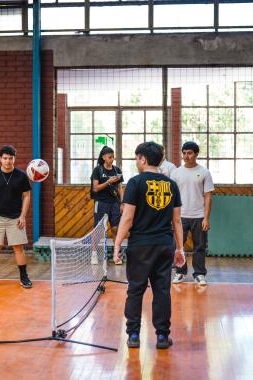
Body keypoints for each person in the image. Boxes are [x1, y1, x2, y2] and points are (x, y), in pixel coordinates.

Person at [113, 141, 185, 350]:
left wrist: (117, 244)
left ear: (143, 159)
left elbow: (127, 218)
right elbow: (177, 221)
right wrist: (179, 249)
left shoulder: (135, 183)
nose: (136, 162)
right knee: (162, 291)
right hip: (165, 245)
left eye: (137, 158)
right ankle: (162, 336)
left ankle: (134, 335)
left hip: (141, 246)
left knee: (135, 290)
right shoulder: (171, 185)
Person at [0, 145, 32, 288]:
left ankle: (24, 277)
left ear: (14, 159)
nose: (8, 161)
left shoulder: (21, 176)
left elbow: (27, 196)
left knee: (18, 248)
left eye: (11, 158)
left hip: (15, 218)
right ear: (0, 159)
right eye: (5, 158)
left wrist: (23, 216)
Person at [170, 141, 215, 286]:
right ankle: (180, 272)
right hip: (180, 216)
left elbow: (208, 196)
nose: (186, 156)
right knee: (178, 246)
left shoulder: (204, 172)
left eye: (189, 153)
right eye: (184, 153)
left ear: (196, 154)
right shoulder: (175, 173)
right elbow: (172, 196)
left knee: (199, 246)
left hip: (199, 216)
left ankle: (200, 274)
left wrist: (206, 218)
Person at [90, 146, 124, 264]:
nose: (112, 159)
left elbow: (120, 187)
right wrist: (108, 182)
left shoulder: (117, 170)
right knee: (99, 229)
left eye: (113, 156)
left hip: (114, 203)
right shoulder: (97, 170)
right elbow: (95, 188)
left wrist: (122, 202)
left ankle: (116, 255)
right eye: (110, 157)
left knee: (116, 228)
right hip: (101, 202)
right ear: (104, 157)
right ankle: (94, 254)